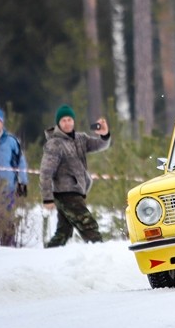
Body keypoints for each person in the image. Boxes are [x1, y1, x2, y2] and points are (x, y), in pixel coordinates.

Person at [40, 105, 110, 247]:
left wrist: (104, 134)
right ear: (58, 123)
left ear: (73, 121)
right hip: (65, 193)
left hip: (77, 192)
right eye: (64, 120)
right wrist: (47, 198)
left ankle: (48, 256)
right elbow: (46, 172)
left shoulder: (80, 138)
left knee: (63, 232)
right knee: (88, 225)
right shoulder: (55, 143)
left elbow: (100, 145)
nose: (67, 123)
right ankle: (100, 252)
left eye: (70, 119)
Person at [0, 108, 28, 246]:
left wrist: (23, 182)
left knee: (7, 218)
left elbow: (21, 162)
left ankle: (8, 246)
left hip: (7, 187)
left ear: (2, 123)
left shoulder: (11, 141)